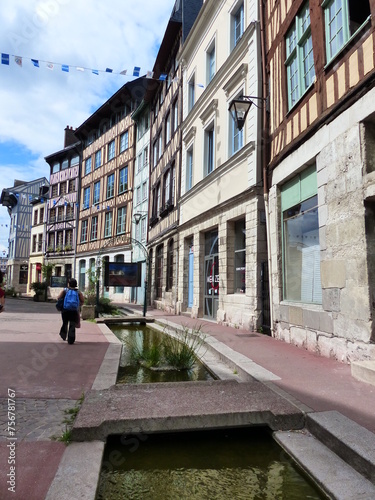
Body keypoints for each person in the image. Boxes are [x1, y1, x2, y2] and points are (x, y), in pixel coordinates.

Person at [57, 278, 84, 344]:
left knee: (65, 323)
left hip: (65, 310)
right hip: (74, 311)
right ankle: (71, 340)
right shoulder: (78, 292)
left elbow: (58, 297)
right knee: (72, 324)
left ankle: (63, 335)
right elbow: (82, 300)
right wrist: (77, 305)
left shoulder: (65, 290)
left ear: (69, 284)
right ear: (76, 284)